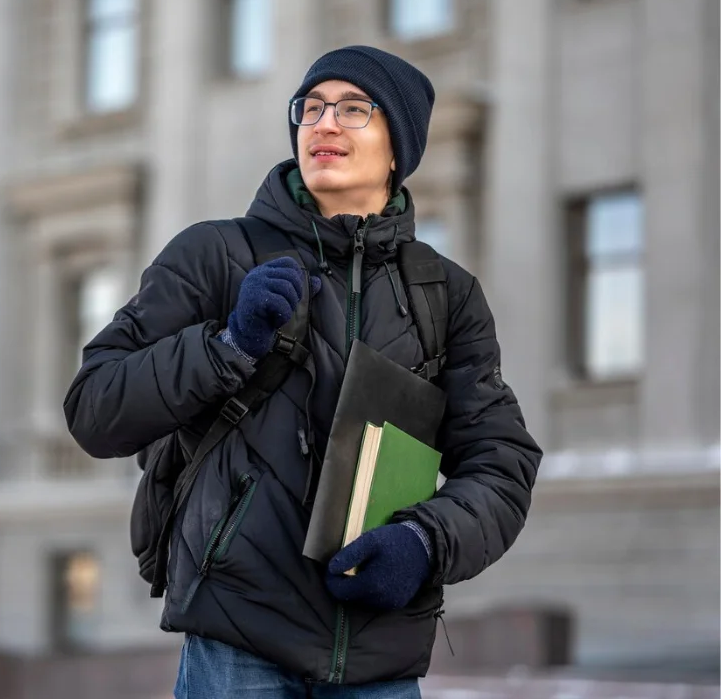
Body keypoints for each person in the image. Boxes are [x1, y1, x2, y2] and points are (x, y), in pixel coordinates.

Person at [63, 45, 542, 699]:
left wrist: (423, 542)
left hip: (381, 655)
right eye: (310, 108)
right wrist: (227, 344)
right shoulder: (215, 254)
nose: (324, 124)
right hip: (238, 644)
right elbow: (95, 409)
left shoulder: (445, 294)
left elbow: (501, 460)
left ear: (398, 147)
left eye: (352, 109)